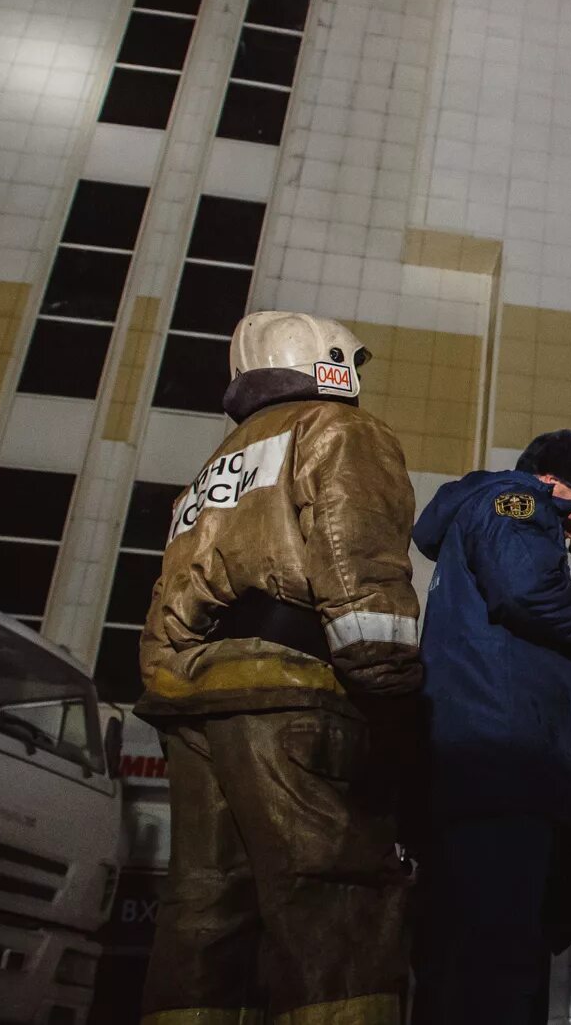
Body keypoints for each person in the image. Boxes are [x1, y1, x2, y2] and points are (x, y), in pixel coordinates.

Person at [136, 311, 425, 1025]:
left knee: (203, 914)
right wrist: (394, 706)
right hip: (297, 695)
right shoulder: (339, 431)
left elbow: (167, 603)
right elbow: (356, 562)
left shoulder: (215, 467)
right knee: (336, 904)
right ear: (329, 361)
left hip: (200, 703)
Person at [410, 428, 571, 1025]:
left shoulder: (484, 526)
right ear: (556, 483)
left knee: (463, 958)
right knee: (499, 964)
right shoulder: (517, 500)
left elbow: (526, 648)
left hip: (484, 768)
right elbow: (527, 591)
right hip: (507, 766)